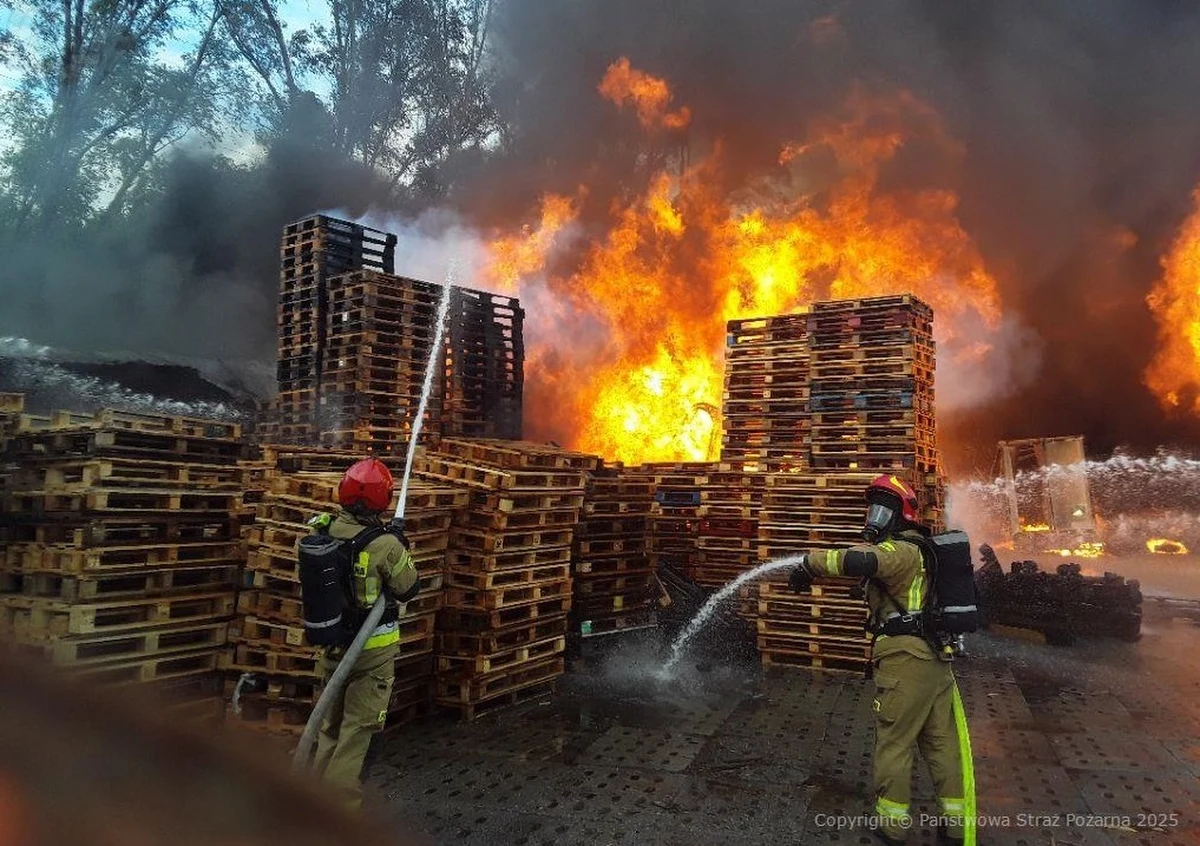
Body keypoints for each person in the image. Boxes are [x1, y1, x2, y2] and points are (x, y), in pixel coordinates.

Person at [789, 475, 975, 846]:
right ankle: (956, 827)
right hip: (934, 662)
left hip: (906, 662)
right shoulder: (923, 551)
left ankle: (892, 826)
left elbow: (858, 559)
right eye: (872, 509)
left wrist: (809, 564)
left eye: (882, 509)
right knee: (941, 746)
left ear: (900, 514)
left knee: (894, 743)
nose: (874, 517)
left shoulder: (900, 551)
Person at [308, 457, 420, 811]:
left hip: (333, 648)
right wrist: (398, 544)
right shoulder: (384, 545)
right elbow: (408, 587)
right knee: (357, 734)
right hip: (372, 656)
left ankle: (309, 807)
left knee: (329, 728)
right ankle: (339, 818)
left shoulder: (325, 531)